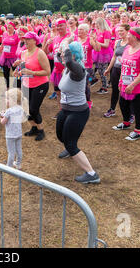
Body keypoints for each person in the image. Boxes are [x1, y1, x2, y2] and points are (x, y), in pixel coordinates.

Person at [56, 42, 100, 184]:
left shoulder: (78, 71)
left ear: (73, 55)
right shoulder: (67, 69)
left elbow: (68, 61)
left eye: (65, 53)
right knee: (60, 135)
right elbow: (62, 59)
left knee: (70, 143)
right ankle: (70, 149)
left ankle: (92, 174)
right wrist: (60, 50)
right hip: (66, 109)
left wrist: (66, 47)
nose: (62, 56)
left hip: (78, 112)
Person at [112, 27, 140, 141]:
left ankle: (138, 131)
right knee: (123, 104)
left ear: (135, 37)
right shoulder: (127, 48)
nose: (126, 36)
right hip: (127, 83)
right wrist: (121, 81)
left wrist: (133, 84)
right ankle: (126, 123)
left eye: (129, 34)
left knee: (138, 108)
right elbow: (124, 66)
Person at [13, 32, 50, 141]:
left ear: (35, 40)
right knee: (25, 108)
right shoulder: (24, 53)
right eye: (24, 39)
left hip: (40, 84)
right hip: (26, 83)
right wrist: (17, 69)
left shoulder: (40, 53)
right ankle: (33, 128)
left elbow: (47, 71)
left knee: (33, 109)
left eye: (28, 39)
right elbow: (24, 67)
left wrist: (32, 72)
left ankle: (41, 130)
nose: (26, 41)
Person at [104, 24, 130, 118]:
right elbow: (114, 57)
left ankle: (130, 113)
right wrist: (108, 69)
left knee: (126, 90)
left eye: (122, 31)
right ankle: (112, 109)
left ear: (127, 31)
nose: (120, 33)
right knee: (115, 89)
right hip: (116, 69)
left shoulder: (130, 43)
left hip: (126, 70)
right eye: (118, 31)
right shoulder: (117, 42)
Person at [0, 88, 27, 170]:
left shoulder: (9, 111)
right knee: (19, 150)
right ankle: (18, 164)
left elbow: (3, 122)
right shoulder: (21, 108)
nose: (6, 100)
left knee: (11, 152)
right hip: (18, 133)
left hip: (10, 135)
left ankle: (9, 167)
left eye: (7, 98)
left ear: (13, 100)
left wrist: (1, 116)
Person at [90, 17, 112, 94]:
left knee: (102, 71)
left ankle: (104, 87)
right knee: (96, 69)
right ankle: (97, 81)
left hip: (104, 54)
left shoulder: (106, 32)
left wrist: (96, 42)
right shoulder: (98, 31)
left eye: (96, 23)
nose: (95, 25)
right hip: (97, 53)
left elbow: (106, 45)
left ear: (100, 23)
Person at [0, 22, 20, 89]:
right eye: (8, 27)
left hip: (14, 56)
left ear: (14, 27)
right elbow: (2, 44)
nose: (8, 28)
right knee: (5, 72)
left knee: (16, 72)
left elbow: (19, 45)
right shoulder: (4, 33)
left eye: (10, 27)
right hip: (5, 56)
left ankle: (17, 87)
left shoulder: (17, 34)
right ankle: (7, 86)